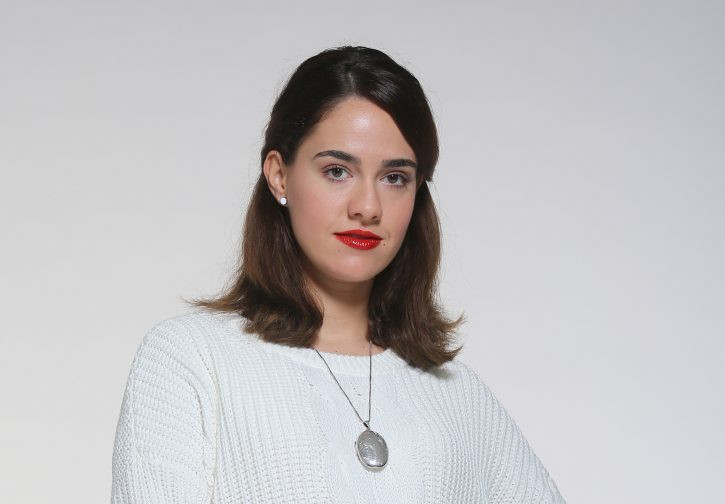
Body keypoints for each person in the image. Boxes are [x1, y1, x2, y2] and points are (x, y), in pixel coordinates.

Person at [111, 45, 565, 503]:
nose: (367, 206)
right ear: (279, 175)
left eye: (395, 177)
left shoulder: (460, 395)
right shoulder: (192, 360)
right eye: (337, 171)